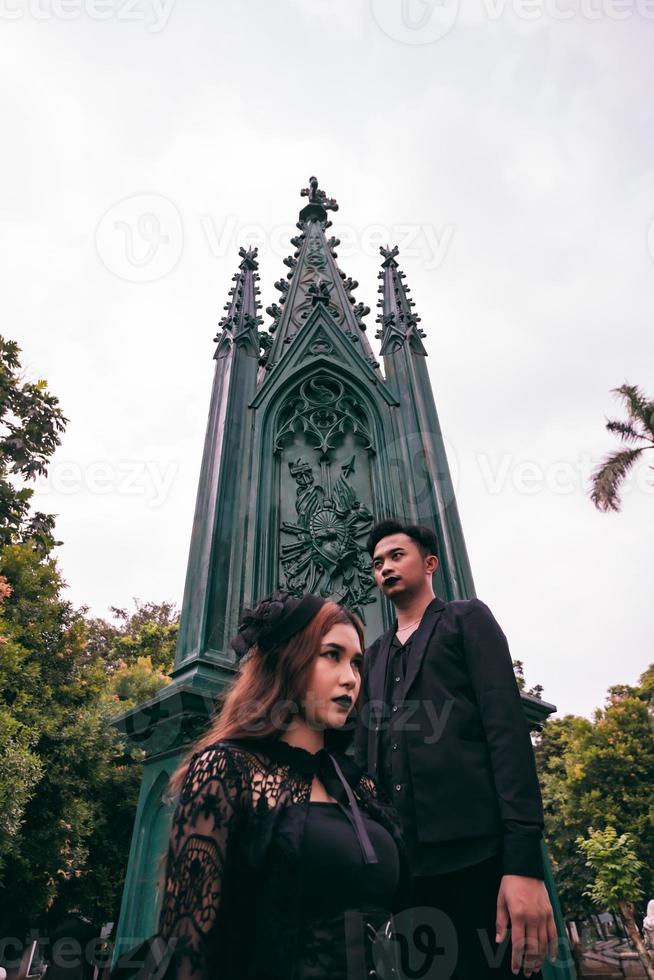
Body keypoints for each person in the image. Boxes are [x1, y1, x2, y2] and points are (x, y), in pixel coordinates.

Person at [156, 591, 411, 980]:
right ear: (289, 659)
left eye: (357, 663)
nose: (351, 678)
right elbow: (186, 946)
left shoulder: (360, 788)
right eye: (332, 655)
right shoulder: (227, 769)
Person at [353, 520, 558, 980]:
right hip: (406, 875)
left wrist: (522, 865)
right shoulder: (373, 656)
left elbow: (506, 733)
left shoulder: (468, 620)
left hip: (480, 862)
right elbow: (364, 756)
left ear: (430, 563)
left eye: (396, 556)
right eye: (377, 563)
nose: (384, 567)